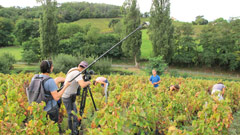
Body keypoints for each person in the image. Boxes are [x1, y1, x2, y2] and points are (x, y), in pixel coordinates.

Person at [62, 61, 91, 135]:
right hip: (68, 96)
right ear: (85, 68)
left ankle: (73, 129)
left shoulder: (73, 69)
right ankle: (72, 132)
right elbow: (82, 85)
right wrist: (88, 82)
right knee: (72, 114)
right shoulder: (77, 73)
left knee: (74, 113)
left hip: (69, 96)